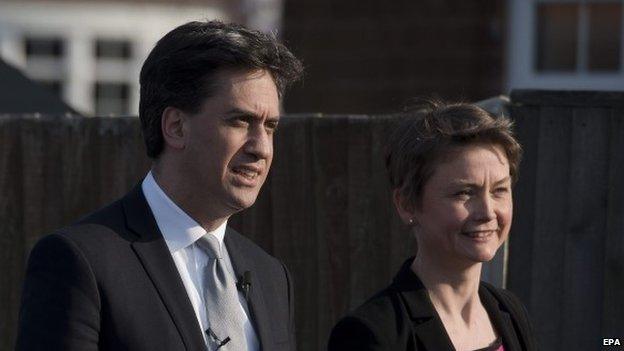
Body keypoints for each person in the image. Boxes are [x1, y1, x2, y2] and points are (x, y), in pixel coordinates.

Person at [16, 20, 302, 351]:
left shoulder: (270, 276)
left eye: (270, 127)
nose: (261, 148)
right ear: (176, 127)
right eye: (240, 121)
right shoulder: (81, 262)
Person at [328, 101, 536, 351]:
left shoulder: (509, 312)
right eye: (464, 193)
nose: (488, 211)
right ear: (407, 204)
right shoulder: (373, 334)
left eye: (499, 190)